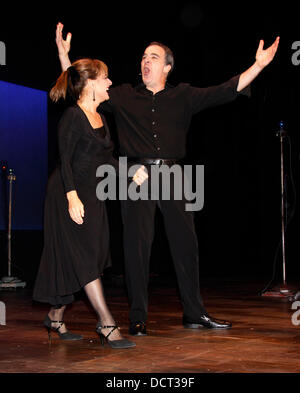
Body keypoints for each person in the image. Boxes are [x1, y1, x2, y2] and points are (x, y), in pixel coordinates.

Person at [56, 22, 280, 336]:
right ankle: (138, 317)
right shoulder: (122, 95)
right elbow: (84, 91)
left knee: (186, 244)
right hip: (136, 177)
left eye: (154, 57)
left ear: (168, 67)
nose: (145, 61)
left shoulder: (185, 95)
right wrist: (65, 57)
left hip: (174, 174)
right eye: (143, 57)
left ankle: (194, 313)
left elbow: (226, 90)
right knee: (137, 247)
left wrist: (259, 65)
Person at [33, 57, 148, 348]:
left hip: (93, 195)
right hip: (67, 195)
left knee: (91, 256)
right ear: (91, 83)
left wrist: (129, 171)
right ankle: (107, 323)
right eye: (106, 78)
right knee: (85, 258)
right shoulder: (73, 116)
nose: (110, 82)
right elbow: (66, 160)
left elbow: (105, 159)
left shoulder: (101, 117)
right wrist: (71, 197)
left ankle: (55, 318)